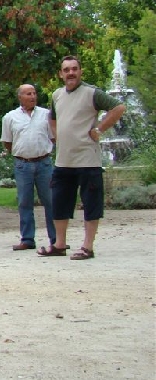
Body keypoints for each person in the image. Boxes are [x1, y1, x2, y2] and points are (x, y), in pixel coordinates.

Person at [38, 55, 126, 260]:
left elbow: (119, 107)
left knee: (91, 203)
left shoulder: (92, 93)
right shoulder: (57, 95)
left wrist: (99, 128)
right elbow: (52, 119)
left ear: (80, 71)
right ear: (61, 74)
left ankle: (88, 247)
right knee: (59, 202)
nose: (70, 73)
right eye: (66, 69)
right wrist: (58, 137)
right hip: (63, 161)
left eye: (74, 69)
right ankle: (59, 244)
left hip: (88, 160)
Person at [1, 84, 56, 250]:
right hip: (23, 164)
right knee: (24, 202)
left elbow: (53, 137)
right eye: (28, 94)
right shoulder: (9, 117)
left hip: (44, 163)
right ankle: (27, 239)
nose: (32, 96)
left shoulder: (46, 114)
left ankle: (56, 238)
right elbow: (7, 142)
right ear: (20, 97)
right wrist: (21, 154)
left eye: (34, 93)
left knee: (51, 200)